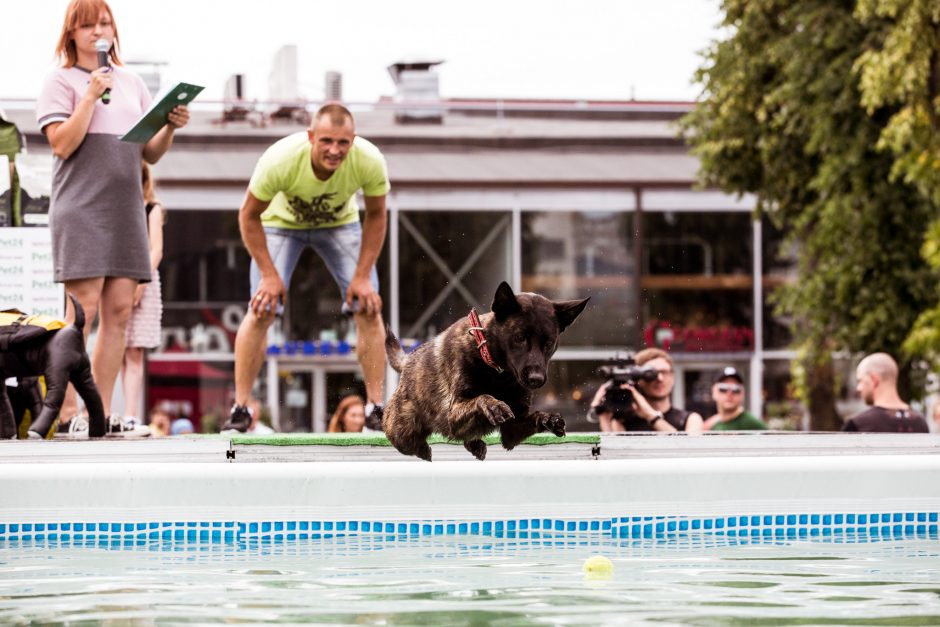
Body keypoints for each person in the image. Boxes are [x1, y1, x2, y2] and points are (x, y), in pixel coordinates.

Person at [36, 0, 189, 435]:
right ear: (71, 33)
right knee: (80, 314)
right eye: (87, 25)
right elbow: (62, 144)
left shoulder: (132, 82)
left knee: (119, 312)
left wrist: (171, 126)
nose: (97, 31)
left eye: (104, 23)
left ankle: (96, 416)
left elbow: (149, 153)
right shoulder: (58, 80)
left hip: (126, 209)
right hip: (81, 208)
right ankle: (66, 416)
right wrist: (88, 94)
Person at [222, 103, 389, 433]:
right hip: (280, 225)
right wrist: (269, 276)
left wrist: (361, 277)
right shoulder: (280, 160)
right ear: (310, 137)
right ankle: (241, 409)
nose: (334, 150)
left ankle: (376, 408)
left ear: (353, 140)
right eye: (326, 141)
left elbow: (377, 215)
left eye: (343, 143)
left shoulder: (369, 160)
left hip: (340, 226)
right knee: (261, 308)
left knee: (369, 306)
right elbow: (248, 215)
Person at [120, 162, 165, 427]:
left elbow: (156, 250)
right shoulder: (117, 207)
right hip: (118, 279)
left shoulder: (152, 208)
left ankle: (130, 414)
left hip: (143, 282)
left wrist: (140, 283)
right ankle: (106, 410)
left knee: (134, 352)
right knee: (115, 349)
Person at [589, 348, 704, 433]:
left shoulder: (689, 419)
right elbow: (615, 458)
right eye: (651, 375)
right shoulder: (624, 421)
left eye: (664, 372)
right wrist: (604, 419)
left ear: (673, 377)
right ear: (637, 379)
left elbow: (686, 451)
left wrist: (651, 417)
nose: (659, 378)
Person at [843, 352, 928, 433]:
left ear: (874, 380)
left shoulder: (857, 425)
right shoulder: (921, 423)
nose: (859, 388)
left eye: (860, 381)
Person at [702, 366, 768, 431]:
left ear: (742, 394)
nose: (729, 394)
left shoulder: (751, 424)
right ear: (714, 392)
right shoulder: (712, 424)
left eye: (735, 389)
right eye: (723, 388)